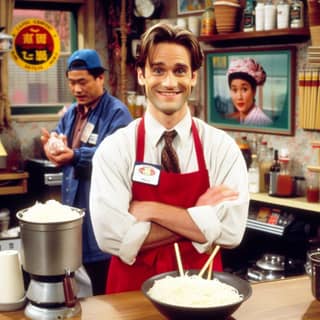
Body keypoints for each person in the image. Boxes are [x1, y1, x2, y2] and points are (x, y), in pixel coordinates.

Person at [90, 23, 249, 294]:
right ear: (141, 75)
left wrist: (152, 211)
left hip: (203, 294)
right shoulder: (115, 149)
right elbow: (111, 237)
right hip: (131, 295)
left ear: (194, 77)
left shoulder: (222, 148)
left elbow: (231, 232)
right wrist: (198, 218)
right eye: (158, 70)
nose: (169, 82)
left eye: (180, 71)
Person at [40, 49, 133, 295]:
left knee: (104, 283)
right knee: (76, 284)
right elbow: (60, 139)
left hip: (101, 212)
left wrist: (74, 155)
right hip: (73, 209)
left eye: (82, 82)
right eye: (72, 83)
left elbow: (112, 157)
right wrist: (52, 146)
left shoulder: (117, 113)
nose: (77, 89)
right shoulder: (72, 112)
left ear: (100, 78)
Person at [226, 57, 273, 126]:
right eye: (235, 90)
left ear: (254, 91)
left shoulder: (262, 122)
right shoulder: (242, 117)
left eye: (244, 89)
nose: (239, 97)